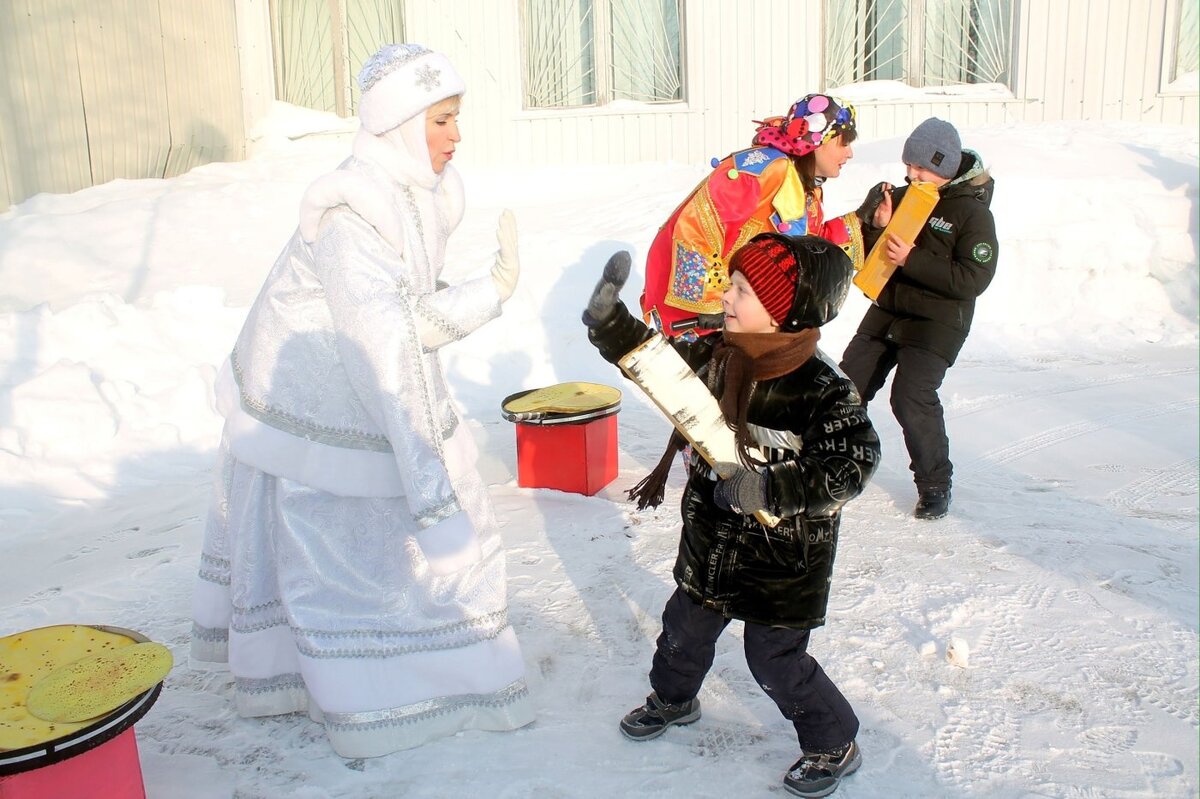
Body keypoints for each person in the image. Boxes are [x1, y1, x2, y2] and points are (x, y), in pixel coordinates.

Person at [190, 43, 534, 757]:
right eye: (442, 120)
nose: (455, 136)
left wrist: (488, 292)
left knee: (383, 535)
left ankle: (408, 667)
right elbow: (385, 345)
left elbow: (407, 317)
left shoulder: (418, 191)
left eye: (456, 117)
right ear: (400, 126)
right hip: (312, 399)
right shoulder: (353, 215)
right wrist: (433, 498)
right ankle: (362, 691)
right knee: (342, 549)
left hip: (357, 376)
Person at [583, 234, 880, 798]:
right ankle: (673, 698)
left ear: (784, 312)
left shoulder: (822, 390)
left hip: (785, 556)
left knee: (773, 658)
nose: (725, 296)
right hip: (713, 541)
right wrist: (609, 323)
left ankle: (832, 741)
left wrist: (771, 486)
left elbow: (853, 464)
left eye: (742, 290)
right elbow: (658, 361)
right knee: (683, 629)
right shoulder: (719, 353)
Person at [839, 117, 998, 521]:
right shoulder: (905, 196)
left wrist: (913, 259)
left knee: (910, 398)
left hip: (938, 321)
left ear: (944, 166)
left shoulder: (972, 214)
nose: (911, 174)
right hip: (889, 310)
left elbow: (972, 279)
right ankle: (831, 466)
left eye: (922, 168)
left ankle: (934, 484)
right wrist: (875, 228)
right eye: (909, 165)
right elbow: (877, 255)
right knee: (844, 389)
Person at [640, 93, 880, 341]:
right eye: (844, 142)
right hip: (697, 313)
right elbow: (696, 230)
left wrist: (863, 222)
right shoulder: (758, 172)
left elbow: (807, 250)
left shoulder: (807, 185)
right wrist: (715, 302)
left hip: (741, 309)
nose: (850, 153)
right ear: (818, 140)